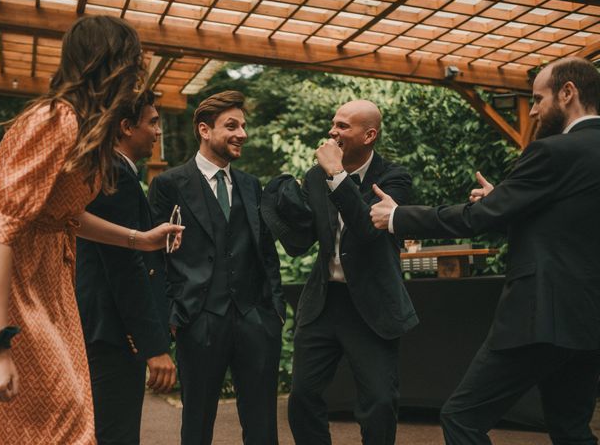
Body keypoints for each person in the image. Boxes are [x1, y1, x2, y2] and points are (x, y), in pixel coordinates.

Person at [0, 16, 182, 444]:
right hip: (12, 279)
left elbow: (64, 216)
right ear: (111, 63)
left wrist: (140, 237)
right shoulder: (55, 120)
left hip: (45, 277)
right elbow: (3, 227)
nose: (140, 73)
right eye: (135, 62)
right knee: (62, 417)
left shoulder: (87, 131)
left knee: (59, 416)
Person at [370, 56, 600, 444]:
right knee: (571, 427)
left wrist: (399, 217)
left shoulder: (553, 152)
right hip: (589, 320)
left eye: (538, 99)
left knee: (462, 418)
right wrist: (506, 200)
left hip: (541, 315)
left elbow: (479, 218)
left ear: (568, 92)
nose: (537, 110)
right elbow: (570, 221)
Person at [261, 100, 418, 445]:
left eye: (344, 126)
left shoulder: (394, 177)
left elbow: (368, 231)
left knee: (378, 404)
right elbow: (302, 238)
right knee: (302, 398)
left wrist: (337, 175)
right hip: (323, 303)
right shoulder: (316, 176)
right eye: (334, 124)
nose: (333, 132)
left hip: (372, 307)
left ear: (369, 135)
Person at [148, 90, 286, 445]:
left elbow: (266, 253)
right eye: (232, 125)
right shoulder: (168, 185)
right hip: (199, 319)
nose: (242, 133)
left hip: (255, 319)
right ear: (204, 130)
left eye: (243, 125)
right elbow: (155, 257)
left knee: (262, 425)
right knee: (197, 422)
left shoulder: (251, 186)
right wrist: (173, 317)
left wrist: (274, 313)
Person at [75, 89, 177, 444]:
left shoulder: (115, 171)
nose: (158, 132)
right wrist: (154, 345)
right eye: (152, 122)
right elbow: (124, 266)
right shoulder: (116, 173)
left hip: (104, 326)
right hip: (112, 332)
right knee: (115, 434)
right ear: (125, 127)